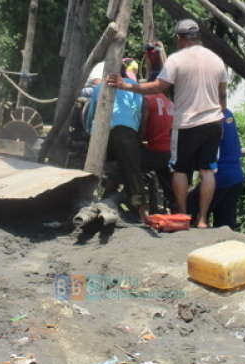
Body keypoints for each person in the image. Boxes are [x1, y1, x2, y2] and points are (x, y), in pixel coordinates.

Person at [107, 18, 227, 227]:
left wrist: (125, 86)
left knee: (180, 170)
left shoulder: (176, 59)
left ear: (180, 38)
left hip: (188, 124)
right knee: (207, 171)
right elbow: (222, 95)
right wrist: (221, 116)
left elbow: (157, 87)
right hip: (214, 122)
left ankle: (182, 216)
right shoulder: (216, 60)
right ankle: (202, 220)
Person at [85, 59, 146, 221]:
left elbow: (90, 115)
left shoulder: (99, 88)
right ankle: (140, 212)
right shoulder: (134, 87)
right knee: (133, 173)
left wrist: (88, 132)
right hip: (128, 132)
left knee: (108, 167)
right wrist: (138, 135)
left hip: (106, 134)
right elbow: (140, 112)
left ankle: (101, 197)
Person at [187, 108, 244, 229]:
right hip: (235, 176)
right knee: (225, 226)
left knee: (190, 206)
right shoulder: (227, 113)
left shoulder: (209, 115)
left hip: (219, 176)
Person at [140, 89, 174, 211]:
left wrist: (139, 140)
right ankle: (176, 213)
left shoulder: (148, 99)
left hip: (154, 150)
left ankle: (138, 210)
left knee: (133, 171)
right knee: (168, 187)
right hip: (168, 152)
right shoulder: (170, 103)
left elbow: (143, 128)